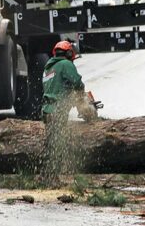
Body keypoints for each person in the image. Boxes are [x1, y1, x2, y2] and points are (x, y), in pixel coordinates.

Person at [39, 40, 86, 184]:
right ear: (69, 53)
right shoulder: (66, 64)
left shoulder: (48, 68)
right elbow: (77, 83)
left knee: (50, 144)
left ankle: (44, 175)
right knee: (57, 144)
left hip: (47, 110)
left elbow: (58, 87)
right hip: (57, 110)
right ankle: (51, 179)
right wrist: (81, 101)